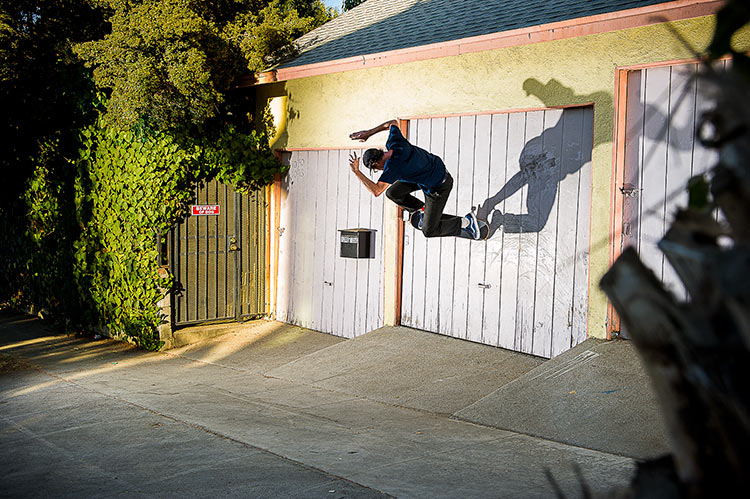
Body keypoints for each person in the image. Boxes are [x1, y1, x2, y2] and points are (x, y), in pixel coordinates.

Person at [348, 119, 482, 239]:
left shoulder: (393, 167)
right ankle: (424, 211)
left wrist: (357, 172)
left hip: (438, 186)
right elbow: (392, 123)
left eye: (377, 169)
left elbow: (376, 191)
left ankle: (466, 223)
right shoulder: (393, 143)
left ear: (376, 163)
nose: (380, 171)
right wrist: (369, 133)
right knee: (392, 193)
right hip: (431, 169)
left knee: (429, 231)